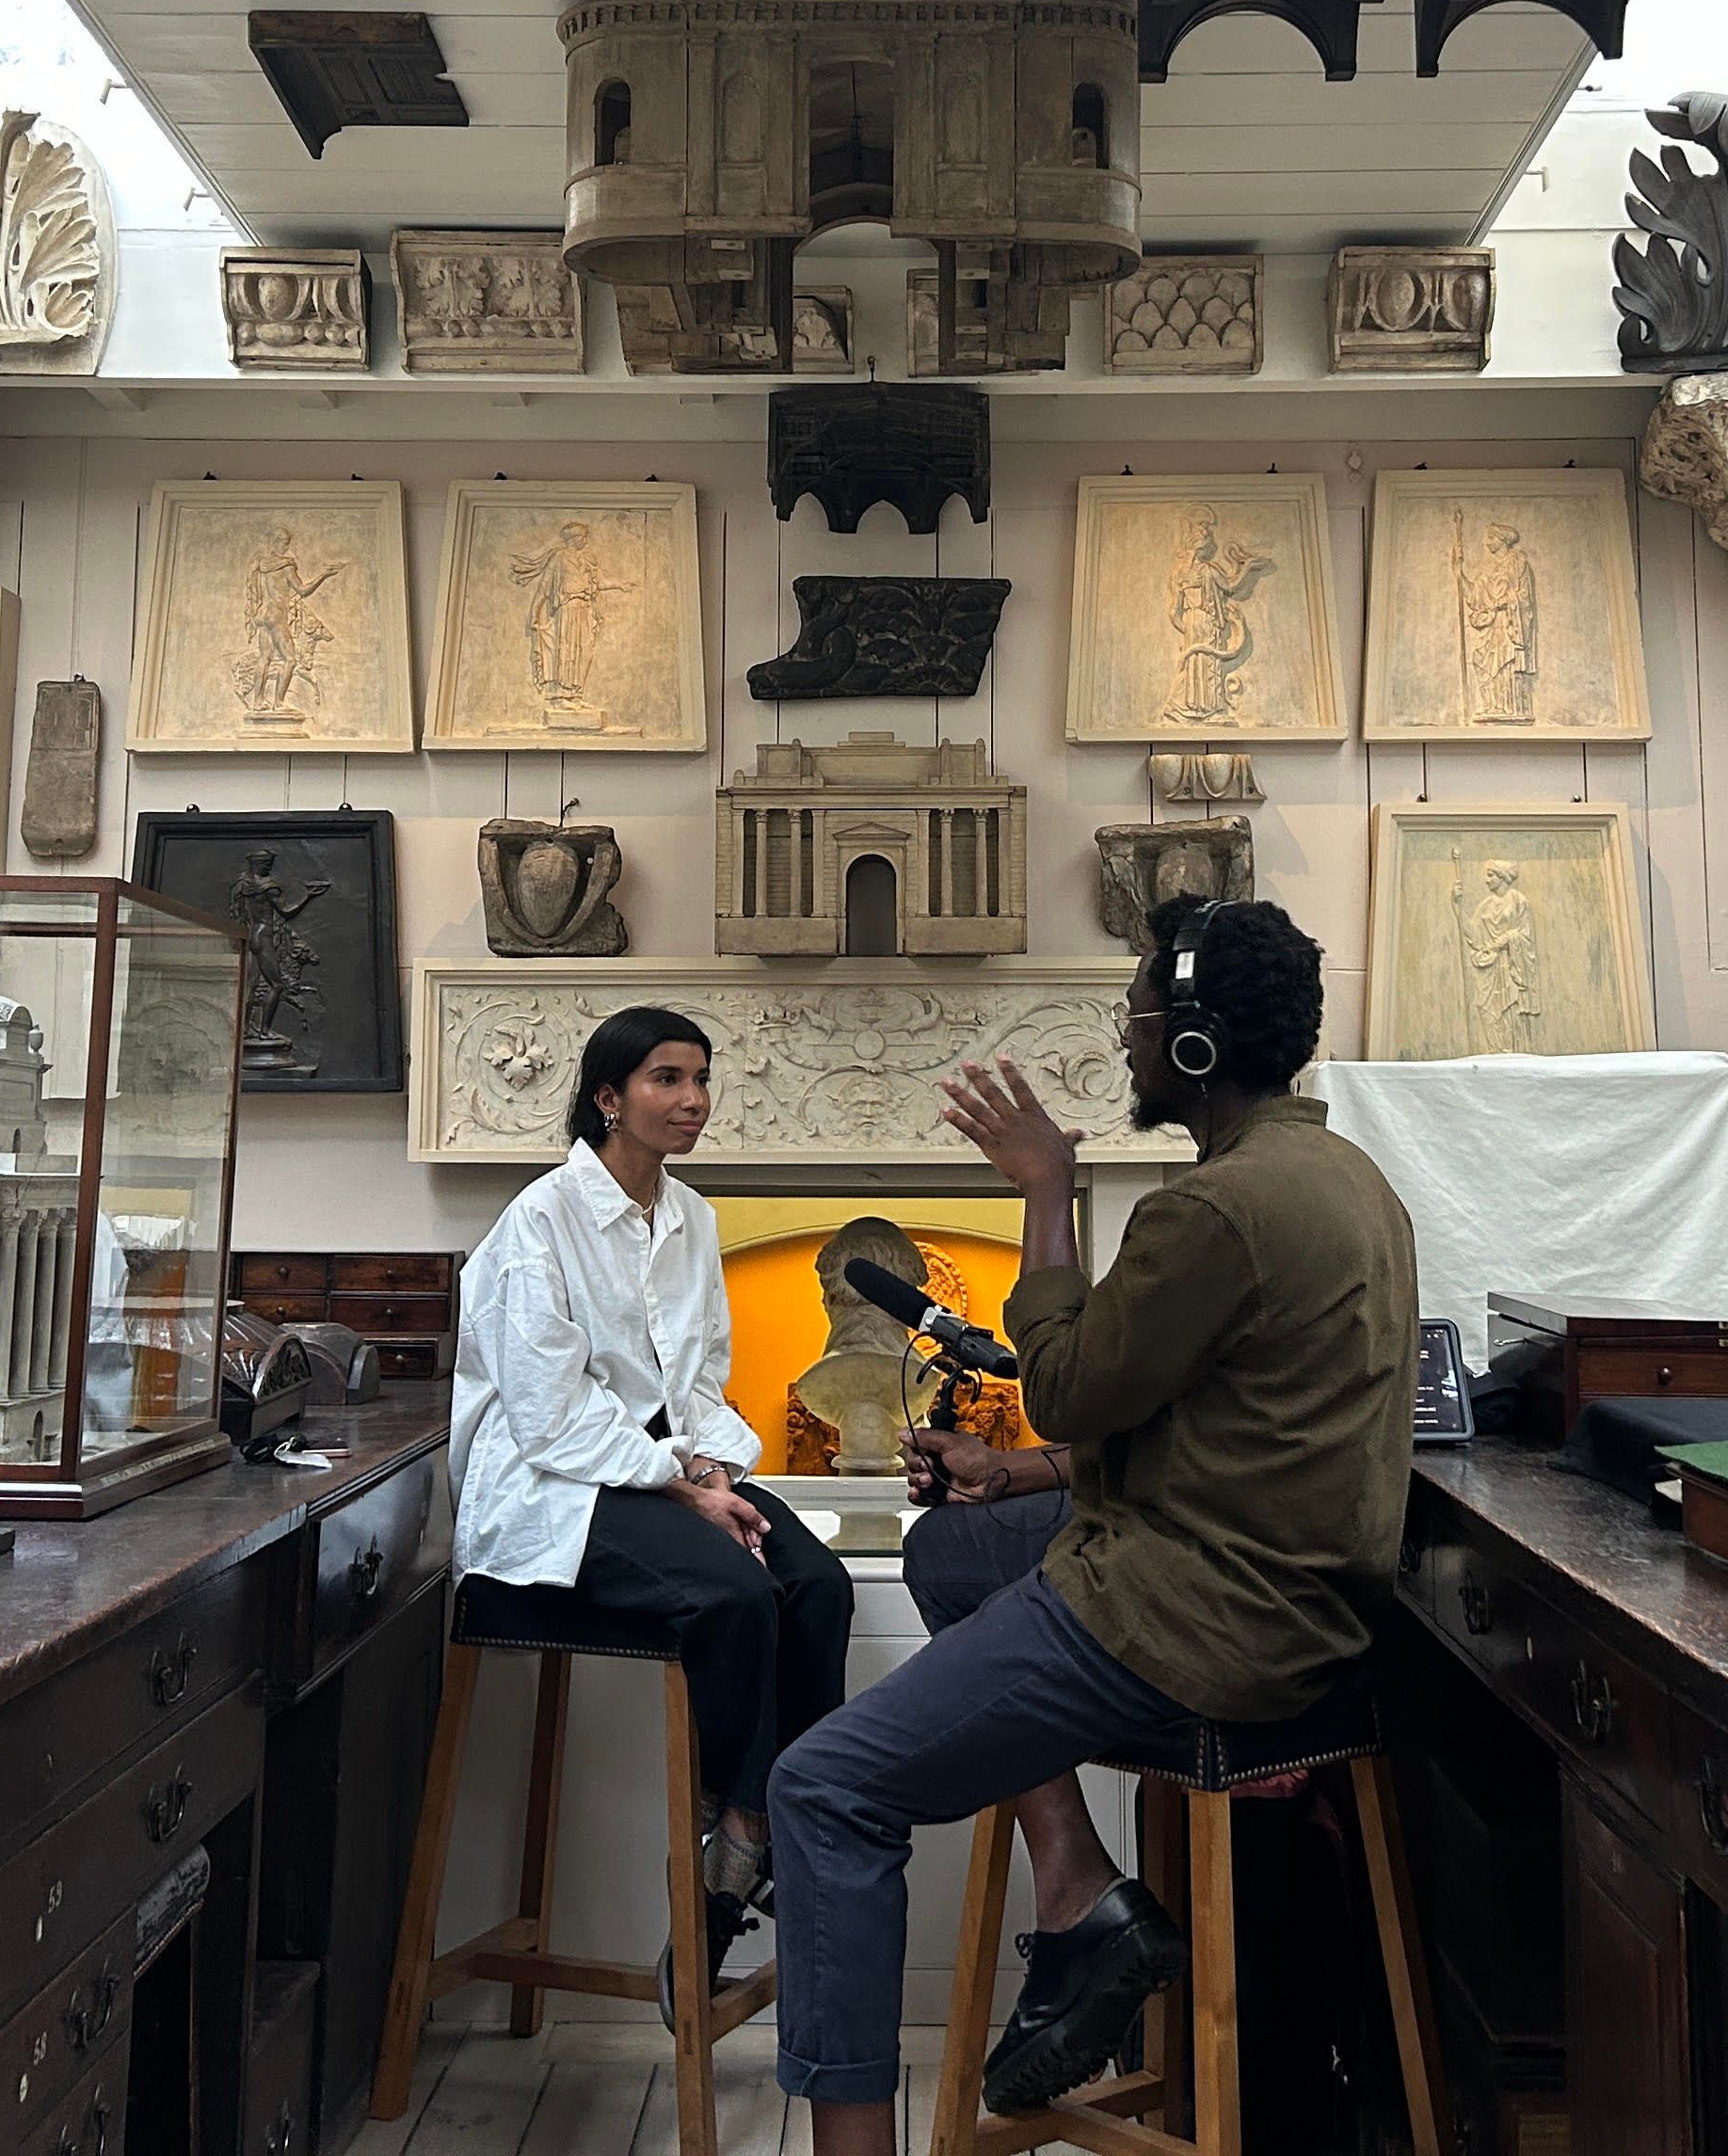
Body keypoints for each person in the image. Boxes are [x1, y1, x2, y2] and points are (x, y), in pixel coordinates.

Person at [766, 900, 1420, 2142]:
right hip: (1300, 1605)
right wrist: (1017, 1476)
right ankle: (1076, 1884)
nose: (1127, 1040)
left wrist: (1048, 1190)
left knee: (823, 1788)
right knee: (952, 1544)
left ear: (1193, 1044)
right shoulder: (1350, 1180)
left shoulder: (1212, 1211)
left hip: (1191, 1617)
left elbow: (1062, 1382)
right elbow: (1221, 1424)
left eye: (1139, 1017)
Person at [449, 1004, 854, 1985]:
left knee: (820, 1585)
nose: (693, 1099)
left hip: (667, 1473)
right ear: (608, 1097)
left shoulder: (692, 1218)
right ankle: (745, 1842)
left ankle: (759, 1832)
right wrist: (685, 1490)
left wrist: (710, 1473)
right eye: (667, 1079)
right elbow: (550, 1415)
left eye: (701, 1078)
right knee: (735, 1591)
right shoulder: (539, 1220)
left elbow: (698, 1383)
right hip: (553, 1487)